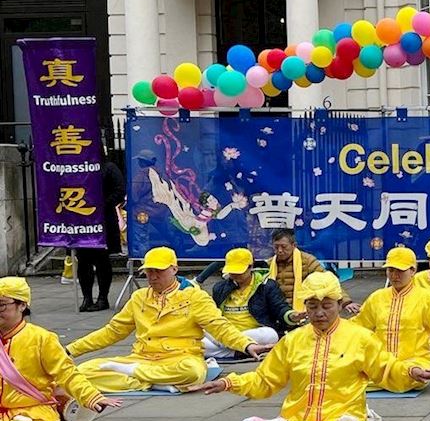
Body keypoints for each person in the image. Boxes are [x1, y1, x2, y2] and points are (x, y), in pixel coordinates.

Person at [186, 272, 430, 421]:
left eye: (326, 306)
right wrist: (228, 382)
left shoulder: (360, 338)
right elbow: (265, 381)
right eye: (312, 306)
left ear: (339, 304)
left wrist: (411, 371)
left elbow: (386, 369)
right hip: (299, 416)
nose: (319, 313)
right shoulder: (293, 340)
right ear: (305, 307)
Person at [67, 247, 270, 392]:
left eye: (158, 271)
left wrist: (246, 345)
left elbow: (219, 326)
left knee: (192, 372)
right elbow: (112, 332)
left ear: (174, 269)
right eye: (149, 271)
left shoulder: (194, 296)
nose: (153, 276)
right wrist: (70, 350)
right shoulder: (139, 298)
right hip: (142, 358)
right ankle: (148, 381)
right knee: (82, 371)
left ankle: (133, 375)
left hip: (180, 359)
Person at [0, 277, 121, 421]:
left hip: (32, 412)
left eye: (2, 305)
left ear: (22, 305)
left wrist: (91, 397)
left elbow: (67, 373)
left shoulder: (41, 338)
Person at [206, 248, 292, 361]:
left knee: (269, 334)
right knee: (196, 340)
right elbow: (212, 317)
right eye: (232, 272)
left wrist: (291, 315)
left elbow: (279, 307)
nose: (235, 275)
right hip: (226, 331)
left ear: (251, 266)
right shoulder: (220, 288)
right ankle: (243, 351)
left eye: (239, 272)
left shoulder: (267, 286)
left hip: (254, 332)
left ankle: (236, 348)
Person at [76, 153, 125, 312]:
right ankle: (87, 298)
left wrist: (102, 206)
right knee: (83, 260)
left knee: (102, 260)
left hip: (103, 220)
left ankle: (103, 298)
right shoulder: (78, 167)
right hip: (82, 221)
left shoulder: (109, 168)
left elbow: (119, 191)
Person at [267, 228, 357, 314]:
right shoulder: (269, 264)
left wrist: (347, 302)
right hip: (277, 312)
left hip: (303, 311)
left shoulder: (307, 261)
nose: (279, 250)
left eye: (284, 247)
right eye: (276, 247)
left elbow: (330, 281)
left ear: (294, 245)